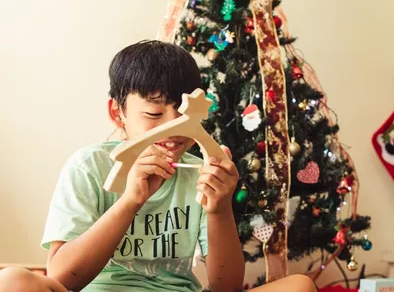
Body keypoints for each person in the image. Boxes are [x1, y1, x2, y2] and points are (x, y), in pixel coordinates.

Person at [0, 40, 316, 292]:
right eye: (153, 115)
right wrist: (129, 201)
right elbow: (61, 277)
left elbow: (226, 286)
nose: (173, 127)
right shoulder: (89, 166)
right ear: (117, 112)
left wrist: (219, 210)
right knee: (13, 281)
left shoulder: (201, 172)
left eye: (183, 113)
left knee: (300, 286)